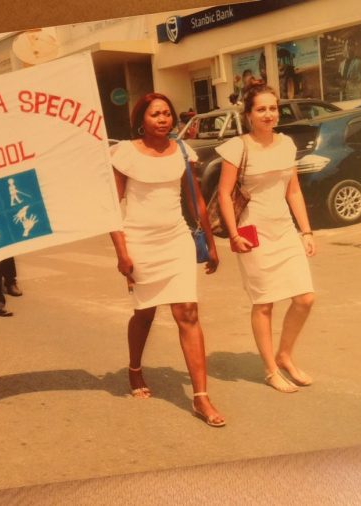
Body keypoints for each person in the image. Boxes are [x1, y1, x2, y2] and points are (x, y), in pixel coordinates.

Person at [109, 93, 224, 427]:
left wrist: (211, 242)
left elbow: (196, 200)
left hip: (176, 240)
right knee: (144, 314)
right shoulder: (124, 153)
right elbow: (112, 207)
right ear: (141, 120)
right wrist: (122, 253)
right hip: (140, 242)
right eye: (155, 114)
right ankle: (134, 369)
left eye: (166, 114)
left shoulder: (183, 151)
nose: (162, 119)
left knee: (188, 312)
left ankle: (201, 397)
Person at [216, 83, 316, 393]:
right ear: (248, 114)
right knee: (264, 303)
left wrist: (306, 231)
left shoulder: (286, 144)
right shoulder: (237, 147)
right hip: (252, 232)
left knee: (305, 298)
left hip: (284, 231)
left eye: (273, 108)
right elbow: (224, 193)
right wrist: (233, 234)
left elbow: (293, 191)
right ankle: (271, 370)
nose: (268, 114)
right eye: (261, 109)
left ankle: (284, 355)